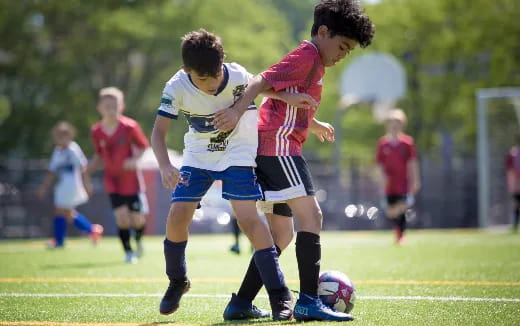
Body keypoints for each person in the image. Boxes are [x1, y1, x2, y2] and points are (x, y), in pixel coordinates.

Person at [215, 0, 375, 321]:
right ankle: (307, 301)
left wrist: (312, 123)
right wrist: (235, 111)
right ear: (323, 32)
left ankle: (242, 302)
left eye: (349, 51)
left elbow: (285, 100)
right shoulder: (308, 55)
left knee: (281, 236)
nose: (342, 55)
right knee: (311, 216)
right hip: (280, 148)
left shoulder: (315, 62)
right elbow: (259, 81)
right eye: (342, 46)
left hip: (274, 147)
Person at [151, 29, 316, 321]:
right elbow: (158, 134)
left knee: (248, 219)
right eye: (202, 80)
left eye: (215, 77)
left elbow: (260, 87)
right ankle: (178, 280)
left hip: (238, 154)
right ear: (187, 70)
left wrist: (290, 99)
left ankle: (280, 296)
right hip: (198, 156)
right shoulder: (176, 87)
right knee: (178, 215)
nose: (212, 85)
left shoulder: (237, 75)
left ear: (222, 64)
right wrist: (165, 165)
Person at [88, 87, 149, 264]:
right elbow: (99, 155)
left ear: (121, 106)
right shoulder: (96, 131)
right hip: (112, 180)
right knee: (121, 217)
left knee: (137, 220)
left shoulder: (130, 127)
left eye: (114, 105)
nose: (110, 109)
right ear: (100, 107)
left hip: (131, 181)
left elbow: (143, 146)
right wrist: (87, 172)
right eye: (106, 106)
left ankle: (138, 240)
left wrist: (134, 159)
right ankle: (128, 252)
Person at [37, 121, 103, 248]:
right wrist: (44, 187)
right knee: (67, 213)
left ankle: (59, 241)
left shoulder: (73, 149)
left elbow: (83, 168)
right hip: (61, 186)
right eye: (58, 135)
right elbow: (51, 171)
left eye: (64, 135)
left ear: (70, 136)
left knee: (60, 211)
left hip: (71, 186)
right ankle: (92, 230)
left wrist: (87, 184)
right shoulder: (57, 151)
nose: (61, 138)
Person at [375, 109, 420, 244]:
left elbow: (412, 162)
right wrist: (381, 178)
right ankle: (398, 232)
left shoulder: (407, 143)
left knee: (403, 206)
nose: (394, 125)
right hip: (389, 183)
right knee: (391, 211)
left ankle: (400, 235)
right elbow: (379, 164)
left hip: (403, 182)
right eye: (392, 122)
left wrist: (416, 180)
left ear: (402, 124)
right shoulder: (383, 143)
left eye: (398, 122)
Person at [506, 133, 520, 233]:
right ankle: (515, 225)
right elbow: (510, 171)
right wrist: (513, 186)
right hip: (517, 183)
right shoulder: (513, 154)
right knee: (517, 204)